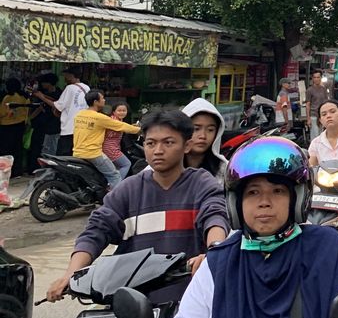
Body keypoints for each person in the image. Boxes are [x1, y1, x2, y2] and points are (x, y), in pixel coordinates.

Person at [150, 137, 338, 318]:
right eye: (253, 192)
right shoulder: (219, 262)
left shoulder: (324, 246)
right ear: (236, 202)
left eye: (277, 191)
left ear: (297, 198)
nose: (264, 201)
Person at [47, 110, 229, 302]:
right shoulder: (129, 189)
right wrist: (71, 273)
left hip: (191, 302)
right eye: (151, 143)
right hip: (134, 305)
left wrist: (214, 252)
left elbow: (215, 215)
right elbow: (96, 230)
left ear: (187, 146)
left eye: (168, 142)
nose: (158, 150)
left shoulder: (201, 183)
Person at [71, 90, 141, 191]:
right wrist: (139, 130)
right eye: (102, 98)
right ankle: (115, 201)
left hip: (77, 152)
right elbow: (120, 126)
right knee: (115, 175)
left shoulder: (79, 115)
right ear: (96, 102)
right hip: (93, 153)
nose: (104, 100)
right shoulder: (100, 118)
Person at [33, 67, 88, 156]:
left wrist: (42, 97)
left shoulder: (69, 88)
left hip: (69, 128)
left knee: (62, 155)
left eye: (65, 75)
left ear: (71, 75)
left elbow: (58, 106)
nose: (64, 77)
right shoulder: (86, 88)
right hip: (82, 127)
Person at [181, 97, 228, 178]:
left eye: (210, 130)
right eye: (196, 129)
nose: (203, 136)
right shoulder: (166, 167)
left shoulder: (225, 170)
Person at [27, 73, 61, 167]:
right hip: (41, 125)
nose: (42, 84)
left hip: (51, 125)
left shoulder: (57, 94)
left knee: (47, 148)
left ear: (48, 83)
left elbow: (55, 103)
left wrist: (42, 97)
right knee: (39, 147)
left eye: (43, 82)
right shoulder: (46, 93)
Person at [0, 77, 31, 176]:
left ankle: (6, 171)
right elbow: (27, 111)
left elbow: (2, 112)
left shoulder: (7, 98)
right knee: (17, 148)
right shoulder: (24, 97)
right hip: (20, 125)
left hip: (6, 126)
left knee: (6, 150)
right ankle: (17, 171)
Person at [102, 101, 135, 182]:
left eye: (124, 110)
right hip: (110, 148)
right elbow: (122, 128)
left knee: (115, 168)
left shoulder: (118, 121)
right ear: (114, 111)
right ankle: (115, 184)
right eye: (119, 110)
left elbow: (124, 128)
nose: (122, 112)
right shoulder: (114, 121)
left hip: (111, 147)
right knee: (126, 164)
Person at [305, 74, 331, 139]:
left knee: (322, 135)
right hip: (313, 115)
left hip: (322, 115)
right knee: (315, 135)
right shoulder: (309, 90)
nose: (316, 79)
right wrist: (308, 118)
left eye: (318, 77)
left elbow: (326, 102)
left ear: (320, 78)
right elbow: (307, 105)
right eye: (315, 77)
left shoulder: (323, 89)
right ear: (312, 79)